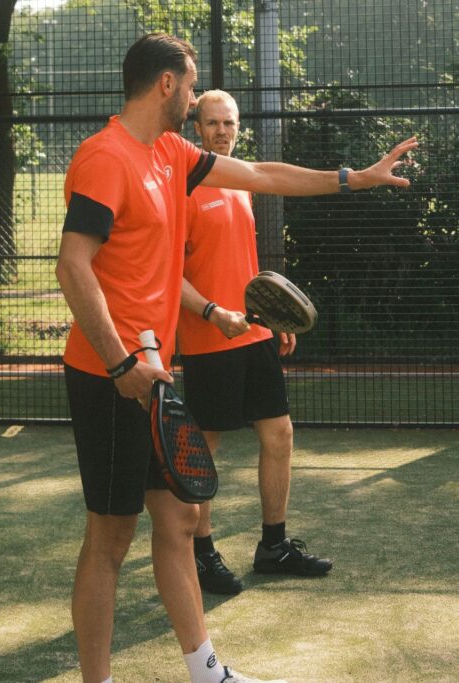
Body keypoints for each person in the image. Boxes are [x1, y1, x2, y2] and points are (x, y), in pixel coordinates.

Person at [55, 33, 417, 683]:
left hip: (155, 374)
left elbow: (259, 174)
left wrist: (354, 178)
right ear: (167, 84)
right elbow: (72, 264)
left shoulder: (169, 152)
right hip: (108, 378)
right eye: (192, 87)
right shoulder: (105, 157)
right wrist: (118, 364)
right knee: (109, 542)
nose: (195, 98)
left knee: (177, 523)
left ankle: (208, 672)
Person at [176, 89, 330, 596]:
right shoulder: (181, 185)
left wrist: (272, 315)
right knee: (206, 447)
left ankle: (274, 547)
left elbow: (241, 260)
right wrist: (212, 312)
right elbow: (169, 275)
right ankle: (201, 555)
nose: (223, 131)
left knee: (279, 434)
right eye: (213, 122)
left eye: (230, 123)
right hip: (207, 336)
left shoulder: (240, 181)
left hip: (253, 331)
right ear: (196, 126)